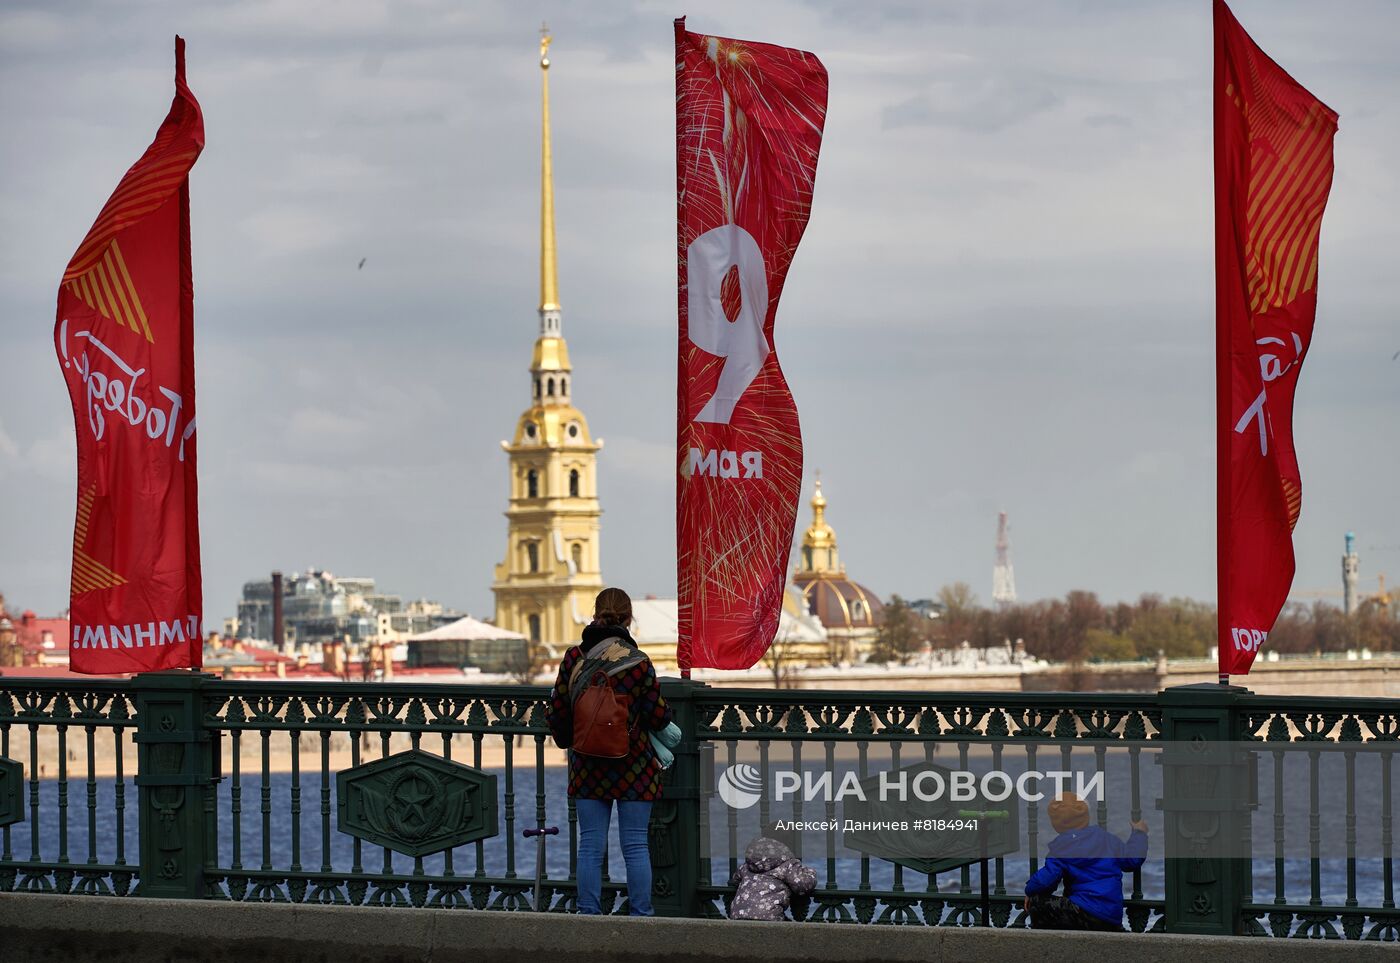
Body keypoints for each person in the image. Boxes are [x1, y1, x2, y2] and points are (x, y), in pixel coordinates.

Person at [546, 587, 672, 916]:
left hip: (588, 763)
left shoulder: (575, 658)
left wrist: (567, 741)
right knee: (634, 845)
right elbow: (658, 716)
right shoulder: (638, 663)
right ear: (629, 618)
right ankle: (641, 917)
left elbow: (559, 711)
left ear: (595, 613)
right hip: (634, 765)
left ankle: (588, 914)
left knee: (590, 845)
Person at [1023, 792, 1148, 931]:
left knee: (1037, 902)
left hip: (1080, 914)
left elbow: (1045, 880)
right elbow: (1132, 861)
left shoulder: (1060, 849)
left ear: (1055, 823)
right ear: (1086, 816)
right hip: (1111, 916)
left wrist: (1030, 890)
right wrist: (1139, 833)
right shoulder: (1107, 839)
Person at [728, 821, 817, 921]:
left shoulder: (748, 864)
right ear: (789, 843)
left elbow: (735, 880)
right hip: (768, 917)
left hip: (737, 915)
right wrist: (810, 872)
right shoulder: (787, 864)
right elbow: (803, 885)